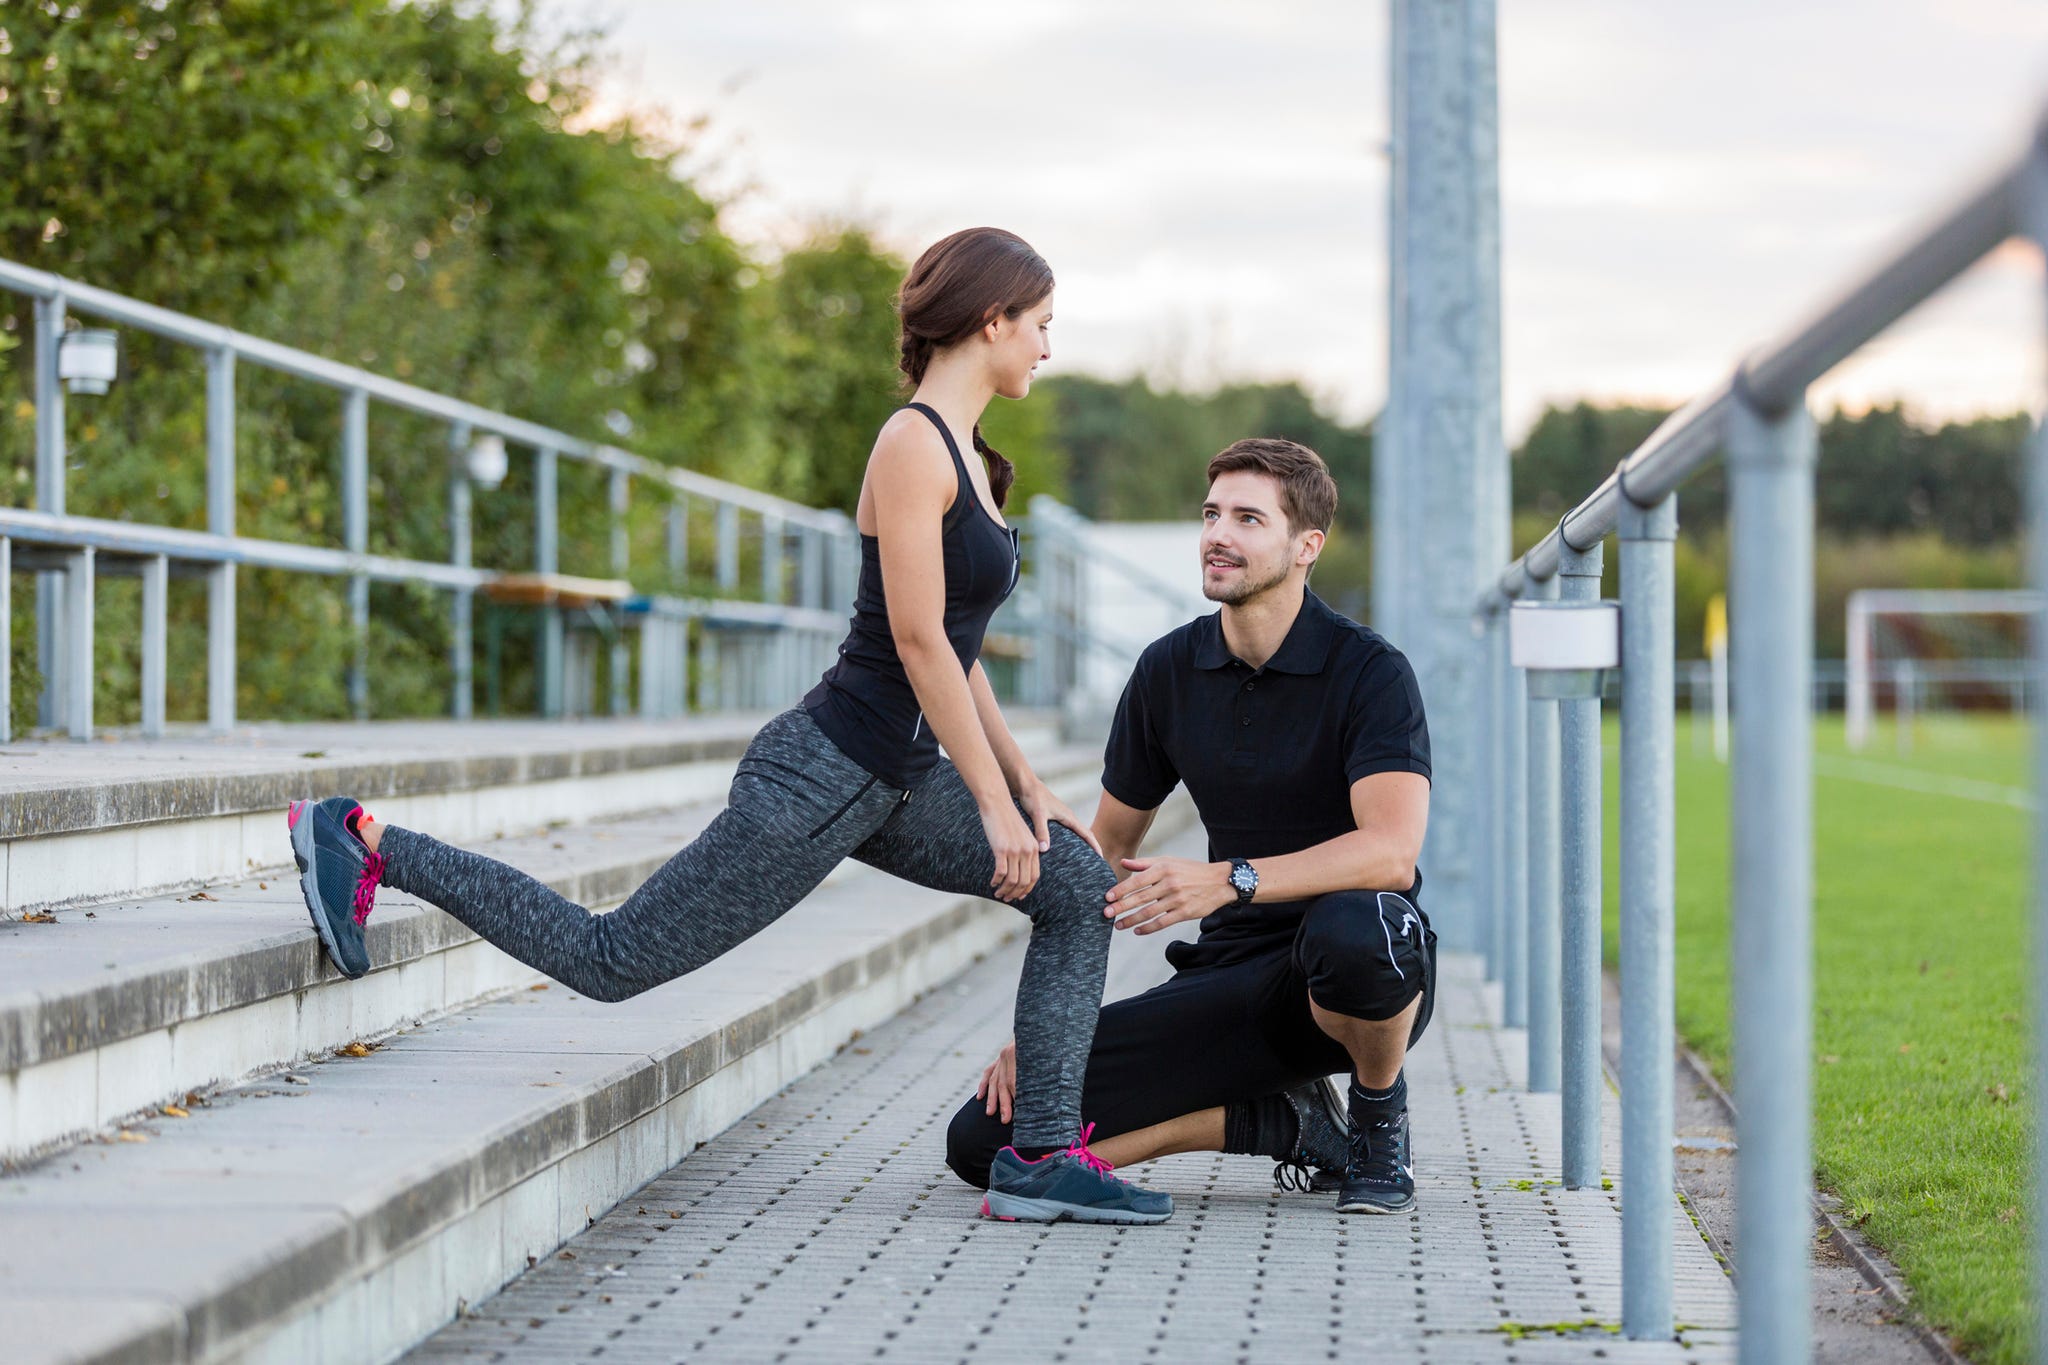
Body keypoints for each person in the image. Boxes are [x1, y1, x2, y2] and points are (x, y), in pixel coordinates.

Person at [286, 227, 1171, 1226]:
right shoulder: (909, 444)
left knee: (1075, 886)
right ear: (990, 320)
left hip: (891, 776)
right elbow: (918, 643)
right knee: (609, 960)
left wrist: (1024, 787)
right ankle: (367, 841)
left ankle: (1043, 1152)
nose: (1046, 350)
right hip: (824, 772)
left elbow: (961, 648)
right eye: (1040, 327)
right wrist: (987, 803)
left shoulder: (971, 455)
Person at [945, 438, 1435, 1214]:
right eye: (1211, 514)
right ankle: (1282, 1122)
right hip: (1228, 979)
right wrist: (1049, 1025)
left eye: (1248, 518)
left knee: (1362, 929)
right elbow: (1103, 854)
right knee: (989, 1143)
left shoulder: (1369, 671)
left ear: (1308, 545)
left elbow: (1393, 852)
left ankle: (1377, 1114)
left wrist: (1230, 878)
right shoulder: (1167, 670)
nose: (1218, 534)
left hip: (1348, 981)